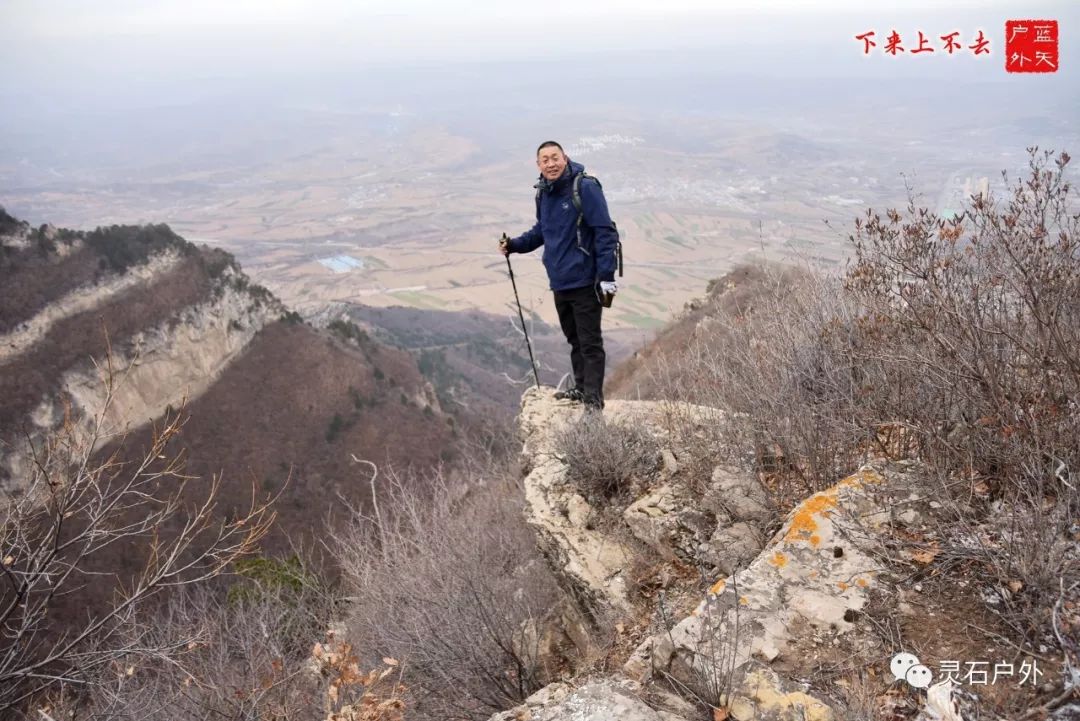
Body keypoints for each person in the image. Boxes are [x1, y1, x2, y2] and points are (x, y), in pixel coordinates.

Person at [500, 140, 619, 410]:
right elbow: (542, 231)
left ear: (565, 158)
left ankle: (593, 402)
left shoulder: (585, 187)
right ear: (538, 165)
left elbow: (605, 232)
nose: (551, 163)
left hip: (586, 279)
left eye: (555, 157)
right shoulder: (543, 193)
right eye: (545, 160)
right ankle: (580, 388)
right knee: (574, 339)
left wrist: (606, 276)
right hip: (560, 280)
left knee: (589, 342)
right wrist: (515, 245)